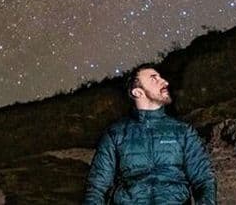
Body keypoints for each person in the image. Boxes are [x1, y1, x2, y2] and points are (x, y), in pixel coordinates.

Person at [84, 64, 217, 204]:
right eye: (154, 79)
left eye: (161, 78)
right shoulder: (115, 134)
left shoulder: (183, 131)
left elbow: (204, 180)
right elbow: (97, 187)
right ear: (138, 92)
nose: (165, 82)